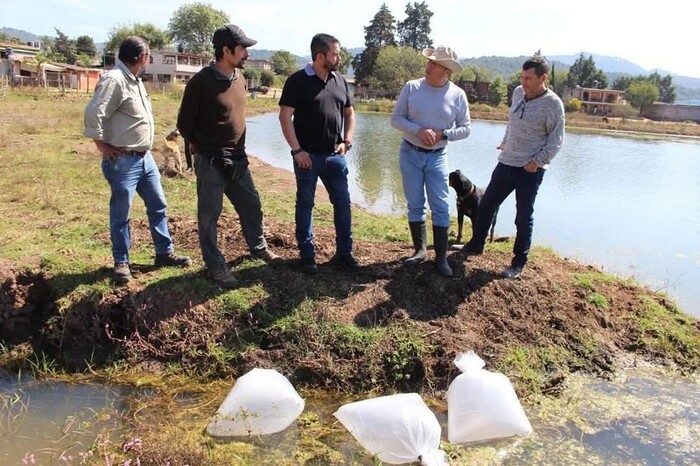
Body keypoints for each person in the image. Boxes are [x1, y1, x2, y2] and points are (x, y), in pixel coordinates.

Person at [84, 36, 192, 284]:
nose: (149, 60)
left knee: (158, 205)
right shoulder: (115, 80)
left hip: (145, 159)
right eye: (149, 56)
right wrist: (101, 145)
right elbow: (94, 112)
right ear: (142, 58)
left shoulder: (135, 81)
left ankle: (164, 253)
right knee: (121, 213)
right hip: (122, 160)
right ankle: (121, 261)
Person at [177, 24, 278, 288]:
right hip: (210, 160)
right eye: (242, 48)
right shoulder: (201, 82)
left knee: (252, 205)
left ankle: (258, 247)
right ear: (226, 50)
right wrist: (201, 145)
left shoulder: (240, 79)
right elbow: (184, 124)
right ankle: (215, 266)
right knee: (210, 215)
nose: (246, 53)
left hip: (238, 159)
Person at [464, 55, 565, 279]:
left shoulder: (553, 104)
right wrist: (506, 141)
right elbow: (513, 121)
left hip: (529, 170)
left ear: (543, 78)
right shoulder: (519, 93)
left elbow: (556, 141)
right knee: (487, 204)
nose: (524, 82)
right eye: (522, 76)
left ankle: (518, 263)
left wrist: (535, 163)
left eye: (529, 78)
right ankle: (476, 244)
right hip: (506, 162)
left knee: (523, 217)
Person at [278, 33, 357, 275]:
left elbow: (349, 114)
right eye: (335, 53)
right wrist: (297, 151)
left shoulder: (340, 81)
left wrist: (346, 140)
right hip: (307, 158)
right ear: (320, 56)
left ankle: (344, 254)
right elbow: (284, 117)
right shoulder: (297, 81)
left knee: (343, 205)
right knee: (305, 205)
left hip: (335, 157)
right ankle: (307, 255)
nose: (339, 57)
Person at [390, 46, 471, 277]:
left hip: (438, 157)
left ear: (446, 71)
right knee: (415, 203)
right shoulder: (412, 87)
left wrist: (443, 134)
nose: (428, 66)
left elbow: (465, 129)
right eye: (429, 61)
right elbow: (396, 119)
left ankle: (441, 259)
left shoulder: (457, 95)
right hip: (409, 153)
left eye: (434, 64)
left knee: (441, 206)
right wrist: (419, 130)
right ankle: (420, 250)